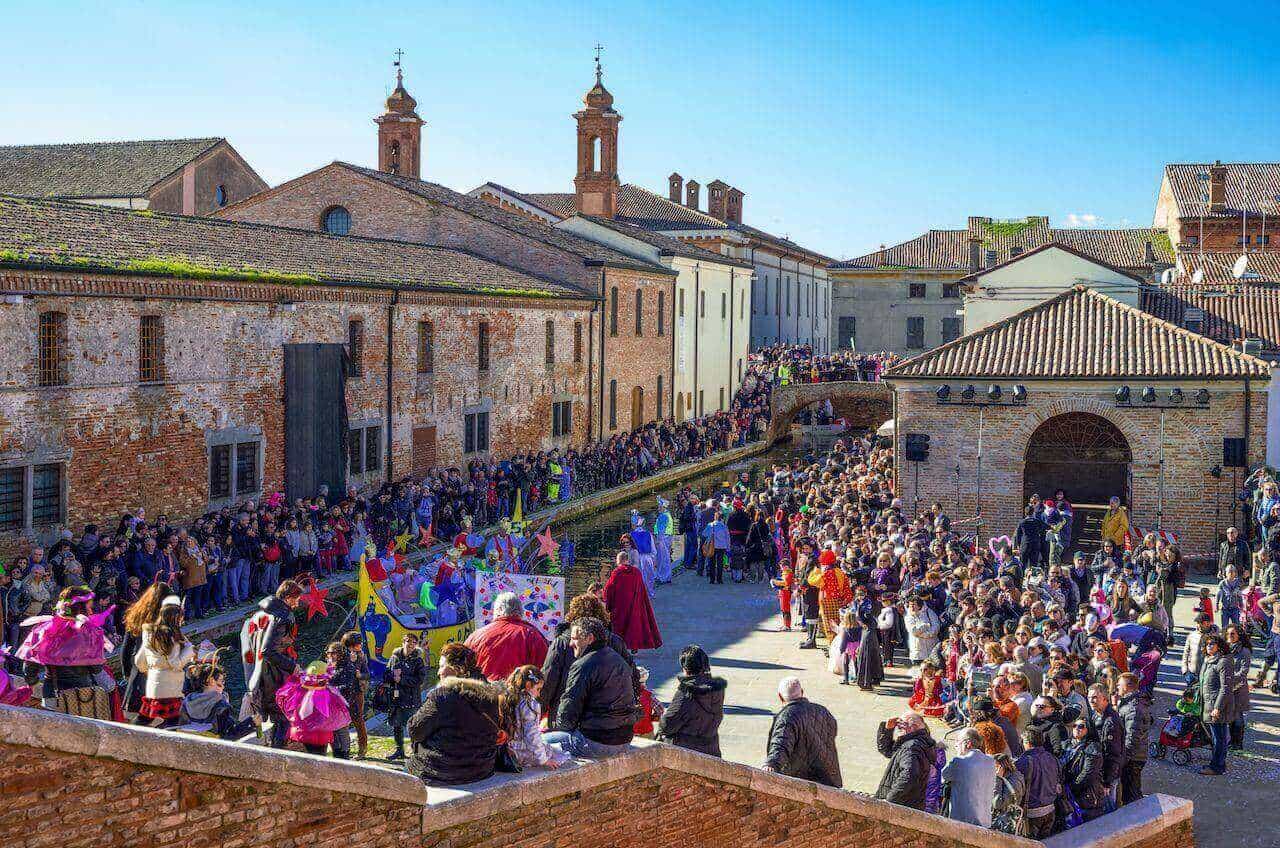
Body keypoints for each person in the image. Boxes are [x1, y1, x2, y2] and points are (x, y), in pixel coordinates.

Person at [406, 643, 502, 786]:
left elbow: (414, 730)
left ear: (459, 670)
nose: (438, 672)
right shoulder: (491, 693)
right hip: (482, 769)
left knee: (409, 765)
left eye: (442, 666)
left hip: (443, 772)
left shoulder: (443, 695)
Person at [545, 617, 639, 758]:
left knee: (539, 744)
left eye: (574, 638)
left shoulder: (583, 665)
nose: (570, 644)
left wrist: (559, 726)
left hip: (596, 741)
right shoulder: (617, 659)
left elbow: (568, 711)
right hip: (623, 739)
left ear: (590, 638)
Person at [242, 580, 304, 748]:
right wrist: (293, 666)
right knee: (282, 716)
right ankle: (278, 754)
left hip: (261, 673)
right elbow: (268, 650)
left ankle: (274, 748)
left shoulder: (262, 614)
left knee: (274, 718)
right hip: (274, 676)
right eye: (297, 598)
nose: (298, 602)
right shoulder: (281, 618)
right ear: (289, 598)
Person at [765, 676, 841, 788]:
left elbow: (781, 744)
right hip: (828, 777)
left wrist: (771, 764)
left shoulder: (787, 717)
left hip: (801, 779)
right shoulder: (822, 711)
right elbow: (832, 731)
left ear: (780, 697)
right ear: (802, 692)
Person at [134, 596, 195, 727]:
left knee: (144, 719)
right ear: (175, 618)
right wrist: (189, 650)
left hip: (153, 683)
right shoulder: (170, 637)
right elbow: (176, 664)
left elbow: (139, 661)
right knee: (172, 722)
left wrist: (149, 671)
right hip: (170, 685)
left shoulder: (149, 634)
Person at [656, 645, 727, 757]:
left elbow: (668, 723)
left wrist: (661, 724)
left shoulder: (687, 690)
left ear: (685, 667)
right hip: (711, 748)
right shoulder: (717, 688)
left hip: (685, 750)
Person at [465, 591, 549, 681]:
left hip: (482, 691)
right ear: (520, 611)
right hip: (516, 692)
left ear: (497, 610)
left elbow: (461, 668)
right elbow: (545, 671)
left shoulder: (476, 636)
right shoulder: (533, 636)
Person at [275, 661, 353, 758]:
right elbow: (338, 719)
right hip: (320, 738)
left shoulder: (296, 690)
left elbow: (281, 698)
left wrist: (295, 677)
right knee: (317, 766)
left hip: (300, 736)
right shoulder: (329, 695)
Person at [500, 665, 569, 769]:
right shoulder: (530, 704)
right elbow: (532, 734)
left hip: (511, 749)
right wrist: (544, 760)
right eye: (538, 689)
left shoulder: (508, 697)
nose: (539, 694)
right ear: (528, 685)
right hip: (524, 752)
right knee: (559, 753)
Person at [119, 581, 171, 720]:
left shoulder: (137, 616)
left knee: (135, 714)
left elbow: (126, 649)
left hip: (138, 670)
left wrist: (127, 673)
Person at [180, 659, 256, 740]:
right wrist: (252, 722)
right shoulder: (221, 706)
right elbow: (229, 736)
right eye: (221, 682)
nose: (223, 686)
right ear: (211, 681)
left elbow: (182, 727)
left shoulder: (186, 702)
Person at [603, 551, 663, 652]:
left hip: (620, 606)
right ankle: (634, 646)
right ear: (627, 560)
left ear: (618, 561)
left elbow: (609, 589)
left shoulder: (617, 572)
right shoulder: (637, 572)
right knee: (633, 626)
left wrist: (608, 605)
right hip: (634, 604)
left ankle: (620, 648)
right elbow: (642, 589)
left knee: (619, 628)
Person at [872, 710, 933, 808]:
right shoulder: (918, 741)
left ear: (914, 726)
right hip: (912, 803)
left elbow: (909, 774)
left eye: (901, 723)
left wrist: (890, 799)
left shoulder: (911, 747)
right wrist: (887, 730)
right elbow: (888, 751)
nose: (898, 726)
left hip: (902, 804)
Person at [941, 727, 996, 827]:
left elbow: (944, 776)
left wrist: (959, 755)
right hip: (985, 821)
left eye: (958, 741)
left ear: (968, 744)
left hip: (962, 821)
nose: (956, 745)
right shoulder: (991, 762)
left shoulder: (959, 762)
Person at [385, 631, 428, 760]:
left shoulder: (418, 660)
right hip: (396, 697)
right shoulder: (394, 657)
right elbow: (386, 675)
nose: (411, 644)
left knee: (413, 726)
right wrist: (392, 677)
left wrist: (401, 679)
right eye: (408, 641)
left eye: (414, 642)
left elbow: (420, 680)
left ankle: (417, 752)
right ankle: (399, 751)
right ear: (403, 642)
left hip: (411, 699)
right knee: (396, 725)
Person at [1198, 634, 1236, 776]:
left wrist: (1217, 708)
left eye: (1212, 644)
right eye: (1207, 644)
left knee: (1219, 738)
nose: (1208, 646)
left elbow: (1225, 688)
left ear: (1219, 646)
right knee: (1216, 737)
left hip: (1216, 707)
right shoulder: (1208, 660)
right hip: (1208, 704)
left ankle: (1217, 767)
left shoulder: (1223, 662)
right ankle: (1219, 763)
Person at [1016, 728, 1061, 839]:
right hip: (1050, 811)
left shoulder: (1023, 762)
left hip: (1032, 815)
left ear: (1027, 743)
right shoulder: (1052, 758)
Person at [1061, 717, 1107, 823]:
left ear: (1088, 730)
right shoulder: (1066, 745)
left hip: (1087, 795)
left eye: (1081, 726)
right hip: (1069, 794)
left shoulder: (1092, 748)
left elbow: (1089, 773)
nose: (1077, 728)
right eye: (1075, 726)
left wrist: (1072, 788)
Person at [1115, 672, 1151, 805]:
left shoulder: (1134, 707)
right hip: (1133, 756)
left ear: (1128, 686)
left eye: (1119, 685)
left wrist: (1124, 759)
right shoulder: (1129, 703)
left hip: (1133, 758)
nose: (1117, 687)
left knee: (1132, 796)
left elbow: (1132, 737)